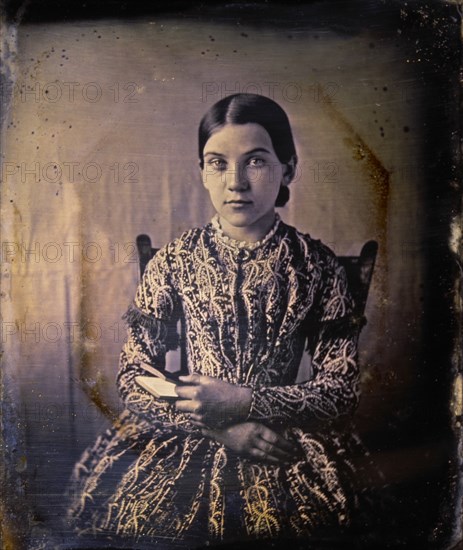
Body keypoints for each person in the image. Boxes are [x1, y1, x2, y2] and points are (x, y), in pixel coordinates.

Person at [66, 93, 366, 549]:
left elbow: (340, 387)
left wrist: (246, 401)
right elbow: (133, 375)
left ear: (288, 168)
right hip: (183, 431)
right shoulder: (173, 261)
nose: (236, 183)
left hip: (277, 439)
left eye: (256, 162)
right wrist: (218, 425)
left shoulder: (317, 267)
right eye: (218, 163)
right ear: (202, 171)